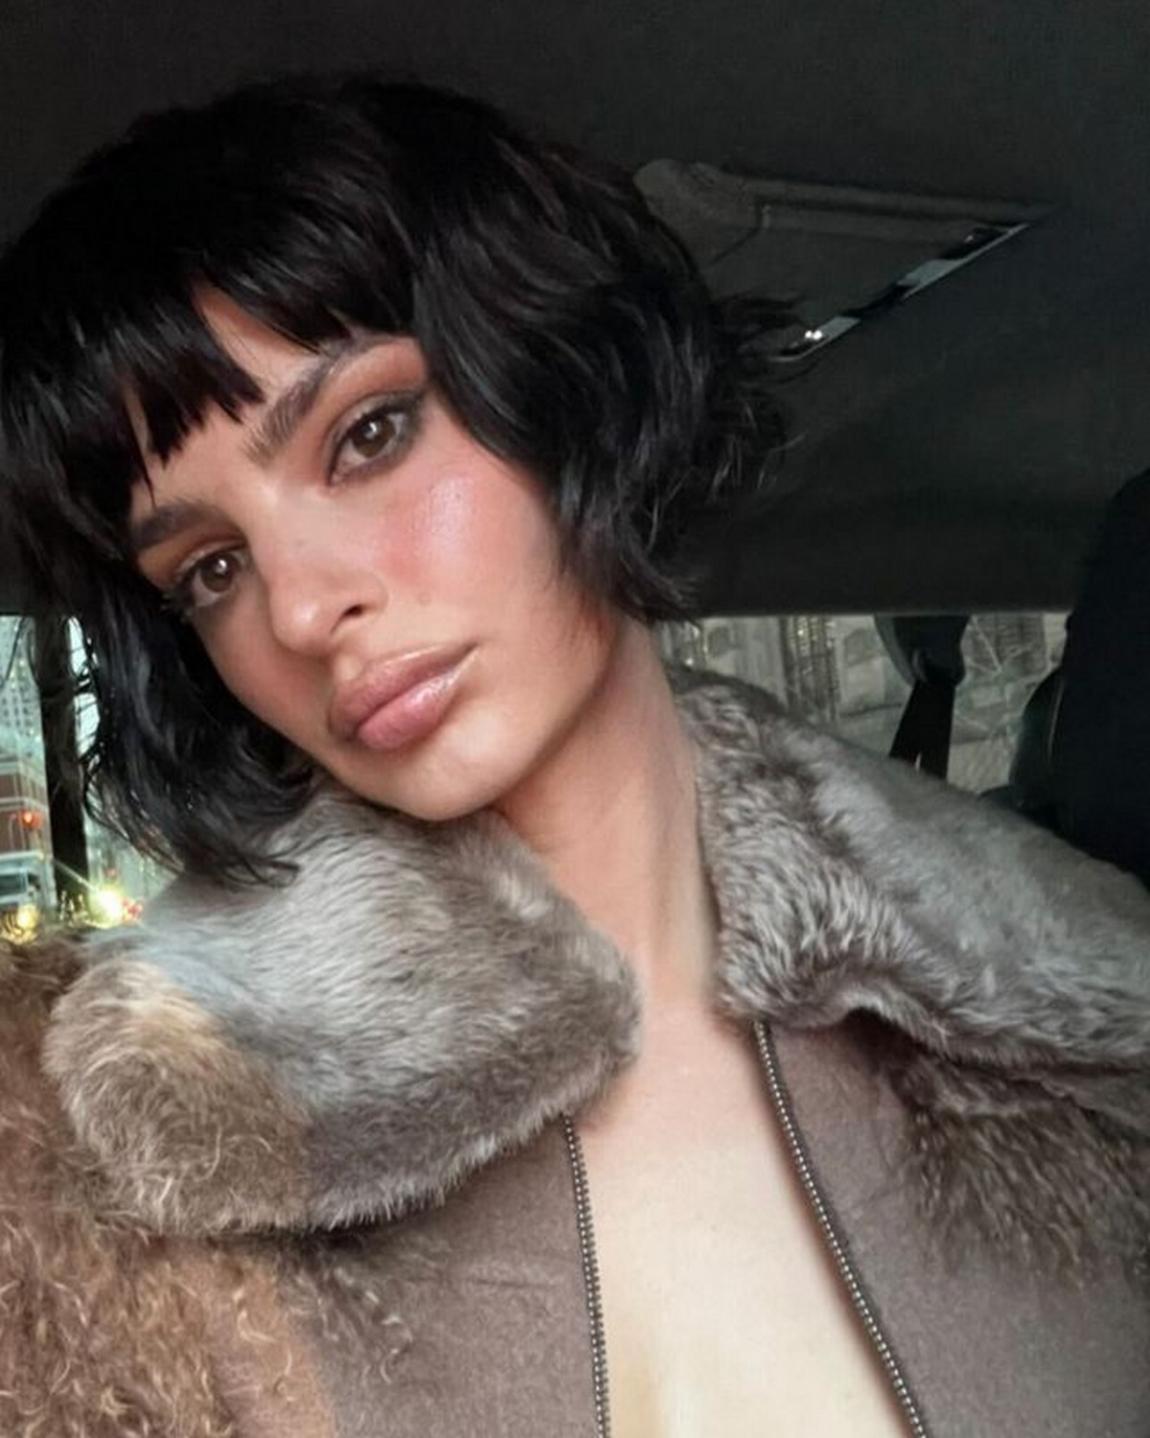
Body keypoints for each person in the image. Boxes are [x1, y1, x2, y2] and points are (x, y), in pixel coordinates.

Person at [0, 74, 1147, 1438]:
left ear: (564, 383)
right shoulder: (108, 1171)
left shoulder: (1082, 1029)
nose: (300, 610)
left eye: (367, 434)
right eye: (211, 567)